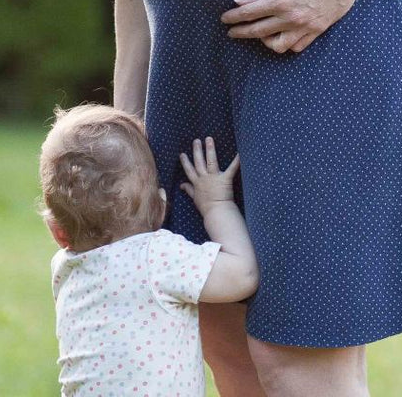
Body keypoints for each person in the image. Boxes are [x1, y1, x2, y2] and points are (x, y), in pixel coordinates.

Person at [112, 0, 402, 395]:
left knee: (297, 358)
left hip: (333, 31)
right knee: (222, 336)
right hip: (185, 57)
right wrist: (126, 117)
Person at [39, 103, 257, 396]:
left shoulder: (64, 269)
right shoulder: (156, 257)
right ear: (161, 210)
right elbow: (243, 275)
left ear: (57, 232)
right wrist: (216, 204)